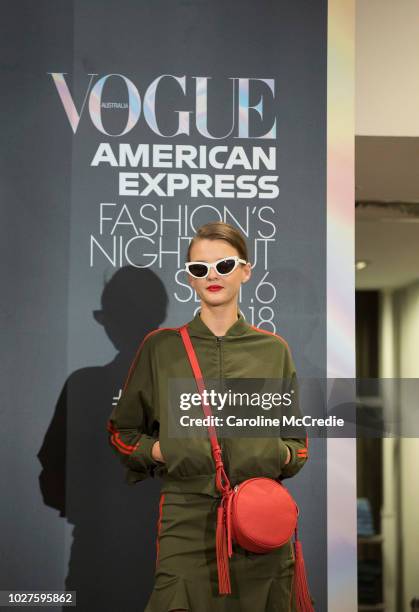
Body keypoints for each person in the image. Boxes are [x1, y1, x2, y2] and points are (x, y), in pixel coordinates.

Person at [107, 221, 312, 611]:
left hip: (259, 520)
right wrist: (166, 451)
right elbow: (123, 432)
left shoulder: (273, 350)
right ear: (189, 278)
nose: (212, 276)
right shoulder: (161, 348)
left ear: (246, 270)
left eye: (224, 265)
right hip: (187, 520)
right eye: (200, 269)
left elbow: (297, 444)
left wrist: (275, 453)